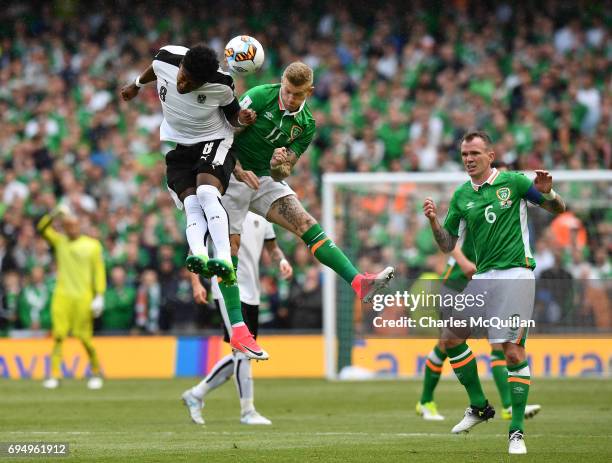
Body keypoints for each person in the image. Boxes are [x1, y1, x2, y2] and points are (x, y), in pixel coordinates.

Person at [423, 131, 565, 455]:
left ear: (490, 155)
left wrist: (550, 194)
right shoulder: (461, 196)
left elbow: (558, 208)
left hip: (517, 273)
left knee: (511, 352)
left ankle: (516, 432)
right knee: (450, 336)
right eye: (464, 155)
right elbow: (448, 244)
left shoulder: (514, 183)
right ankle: (478, 406)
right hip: (484, 277)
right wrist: (433, 221)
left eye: (474, 153)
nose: (469, 159)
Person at [120, 44, 266, 359]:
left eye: (192, 83)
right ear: (181, 65)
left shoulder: (221, 84)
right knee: (190, 205)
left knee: (205, 193)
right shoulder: (166, 59)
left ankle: (224, 260)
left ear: (206, 80)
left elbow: (233, 117)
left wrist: (242, 116)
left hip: (215, 141)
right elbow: (151, 68)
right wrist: (135, 85)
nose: (184, 84)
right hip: (179, 145)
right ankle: (200, 256)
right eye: (184, 77)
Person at [225, 61, 394, 304]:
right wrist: (238, 162)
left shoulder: (306, 125)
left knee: (305, 222)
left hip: (261, 177)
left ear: (310, 92)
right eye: (287, 91)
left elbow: (282, 173)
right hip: (231, 173)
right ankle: (238, 330)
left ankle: (359, 282)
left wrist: (277, 166)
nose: (290, 98)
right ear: (282, 83)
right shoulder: (260, 96)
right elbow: (224, 132)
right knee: (231, 248)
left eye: (297, 94)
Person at [417, 162, 541, 422]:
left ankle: (507, 405)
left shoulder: (506, 205)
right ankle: (425, 401)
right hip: (458, 280)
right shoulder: (471, 199)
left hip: (489, 280)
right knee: (446, 341)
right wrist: (463, 262)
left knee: (499, 343)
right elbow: (451, 240)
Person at [182, 212, 292, 425]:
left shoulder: (262, 213)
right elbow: (195, 247)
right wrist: (196, 284)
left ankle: (196, 394)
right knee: (242, 351)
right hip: (225, 289)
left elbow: (273, 248)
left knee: (244, 354)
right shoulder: (220, 211)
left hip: (253, 292)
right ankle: (247, 411)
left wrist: (282, 261)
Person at [37, 205, 106, 390]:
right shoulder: (60, 242)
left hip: (83, 297)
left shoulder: (92, 245)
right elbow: (42, 228)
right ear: (64, 227)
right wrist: (54, 213)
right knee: (58, 336)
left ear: (79, 226)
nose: (72, 229)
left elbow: (98, 271)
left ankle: (96, 372)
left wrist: (99, 295)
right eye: (68, 225)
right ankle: (54, 374)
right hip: (62, 296)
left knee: (85, 338)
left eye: (74, 225)